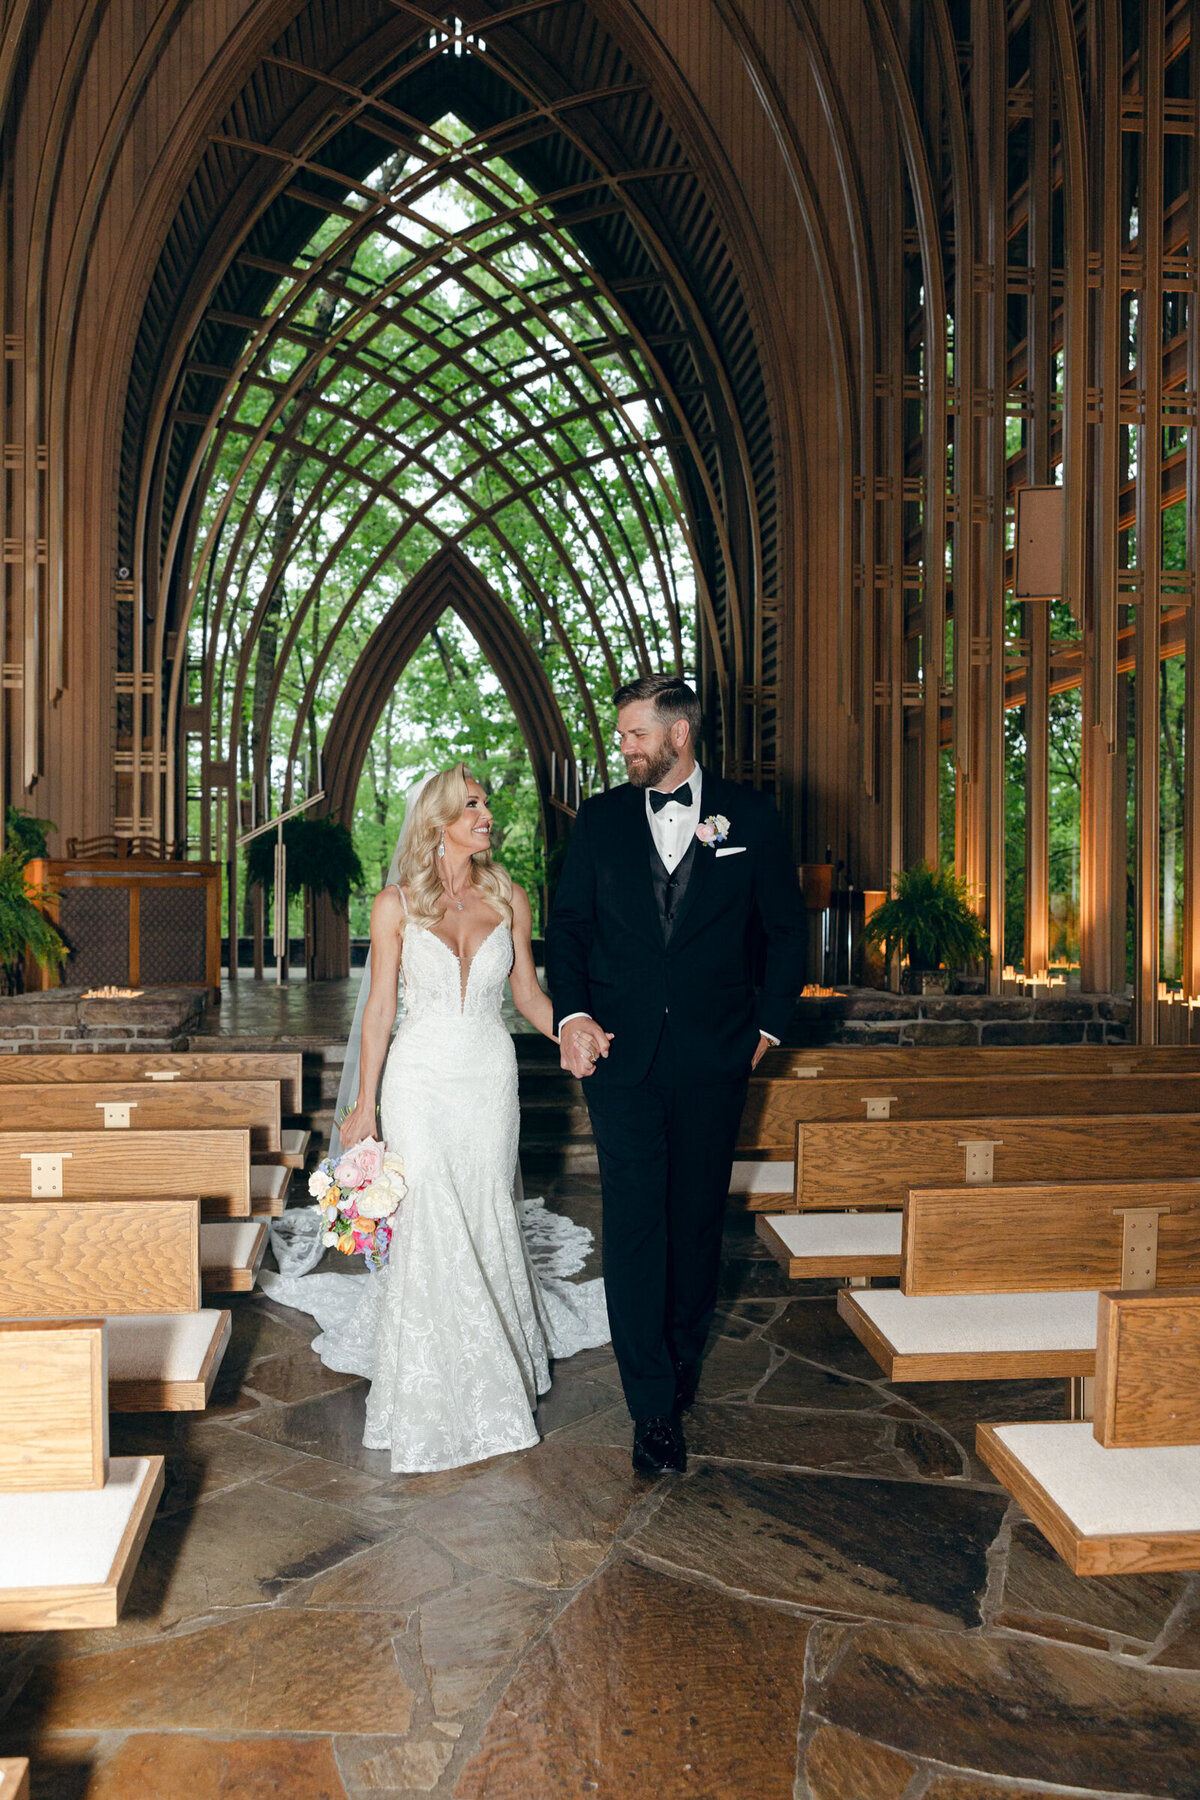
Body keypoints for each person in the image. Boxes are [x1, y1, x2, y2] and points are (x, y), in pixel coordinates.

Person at [261, 764, 610, 1474]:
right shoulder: (394, 905)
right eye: (472, 805)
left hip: (488, 1077)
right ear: (438, 821)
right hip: (418, 1081)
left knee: (483, 1209)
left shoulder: (510, 898)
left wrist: (572, 1030)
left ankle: (496, 1348)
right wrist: (365, 1104)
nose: (488, 813)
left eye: (486, 802)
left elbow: (531, 996)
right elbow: (382, 1010)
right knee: (431, 1218)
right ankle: (435, 1374)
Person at [545, 675, 806, 1476]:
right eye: (623, 736)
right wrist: (573, 1017)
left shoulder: (752, 818)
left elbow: (787, 932)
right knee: (633, 1223)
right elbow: (570, 930)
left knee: (695, 1226)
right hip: (620, 1059)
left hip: (713, 1057)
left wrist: (764, 1026)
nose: (623, 747)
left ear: (679, 736)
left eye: (633, 735)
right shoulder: (598, 819)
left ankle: (682, 1360)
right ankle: (650, 1405)